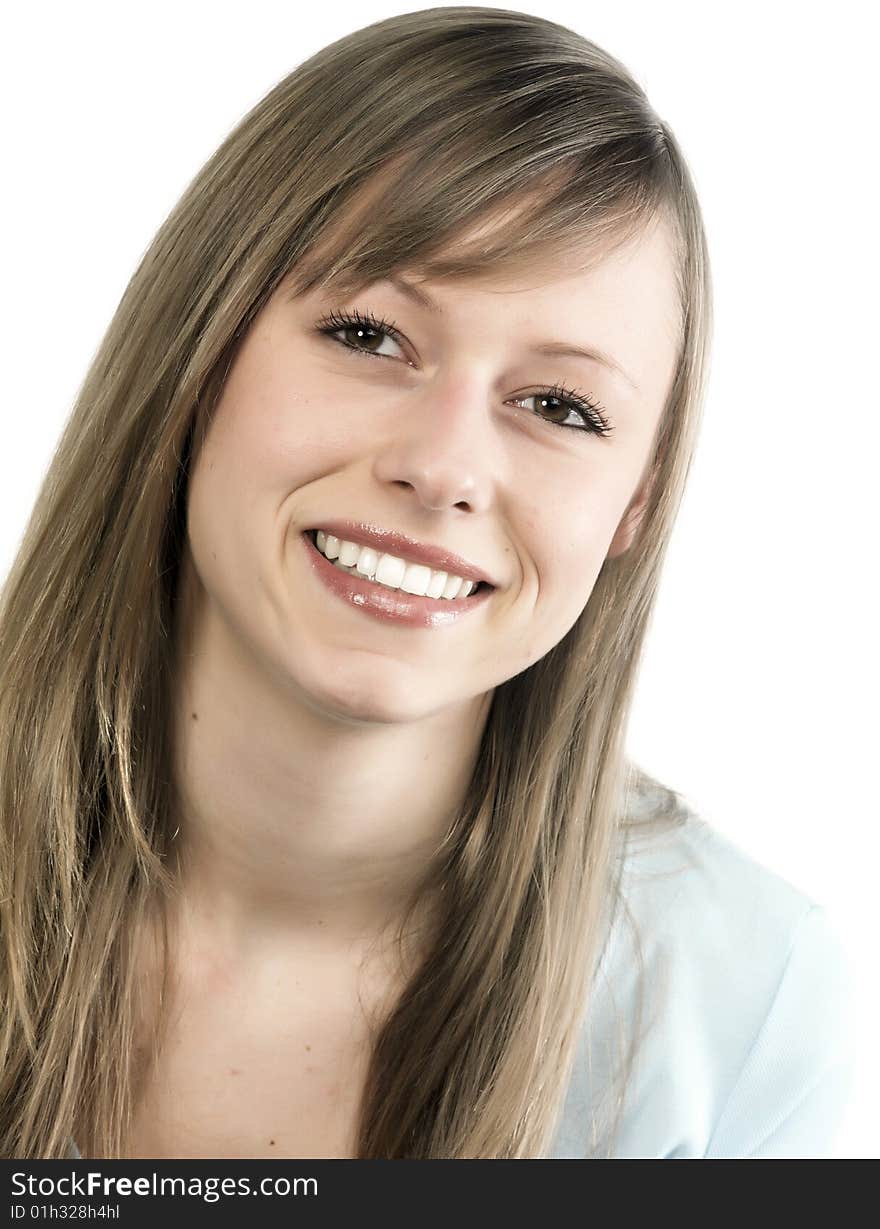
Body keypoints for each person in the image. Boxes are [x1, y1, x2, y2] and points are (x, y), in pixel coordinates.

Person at [0, 6, 854, 1160]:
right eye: (368, 335)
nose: (444, 466)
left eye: (560, 407)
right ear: (198, 354)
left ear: (632, 510)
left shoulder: (750, 1004)